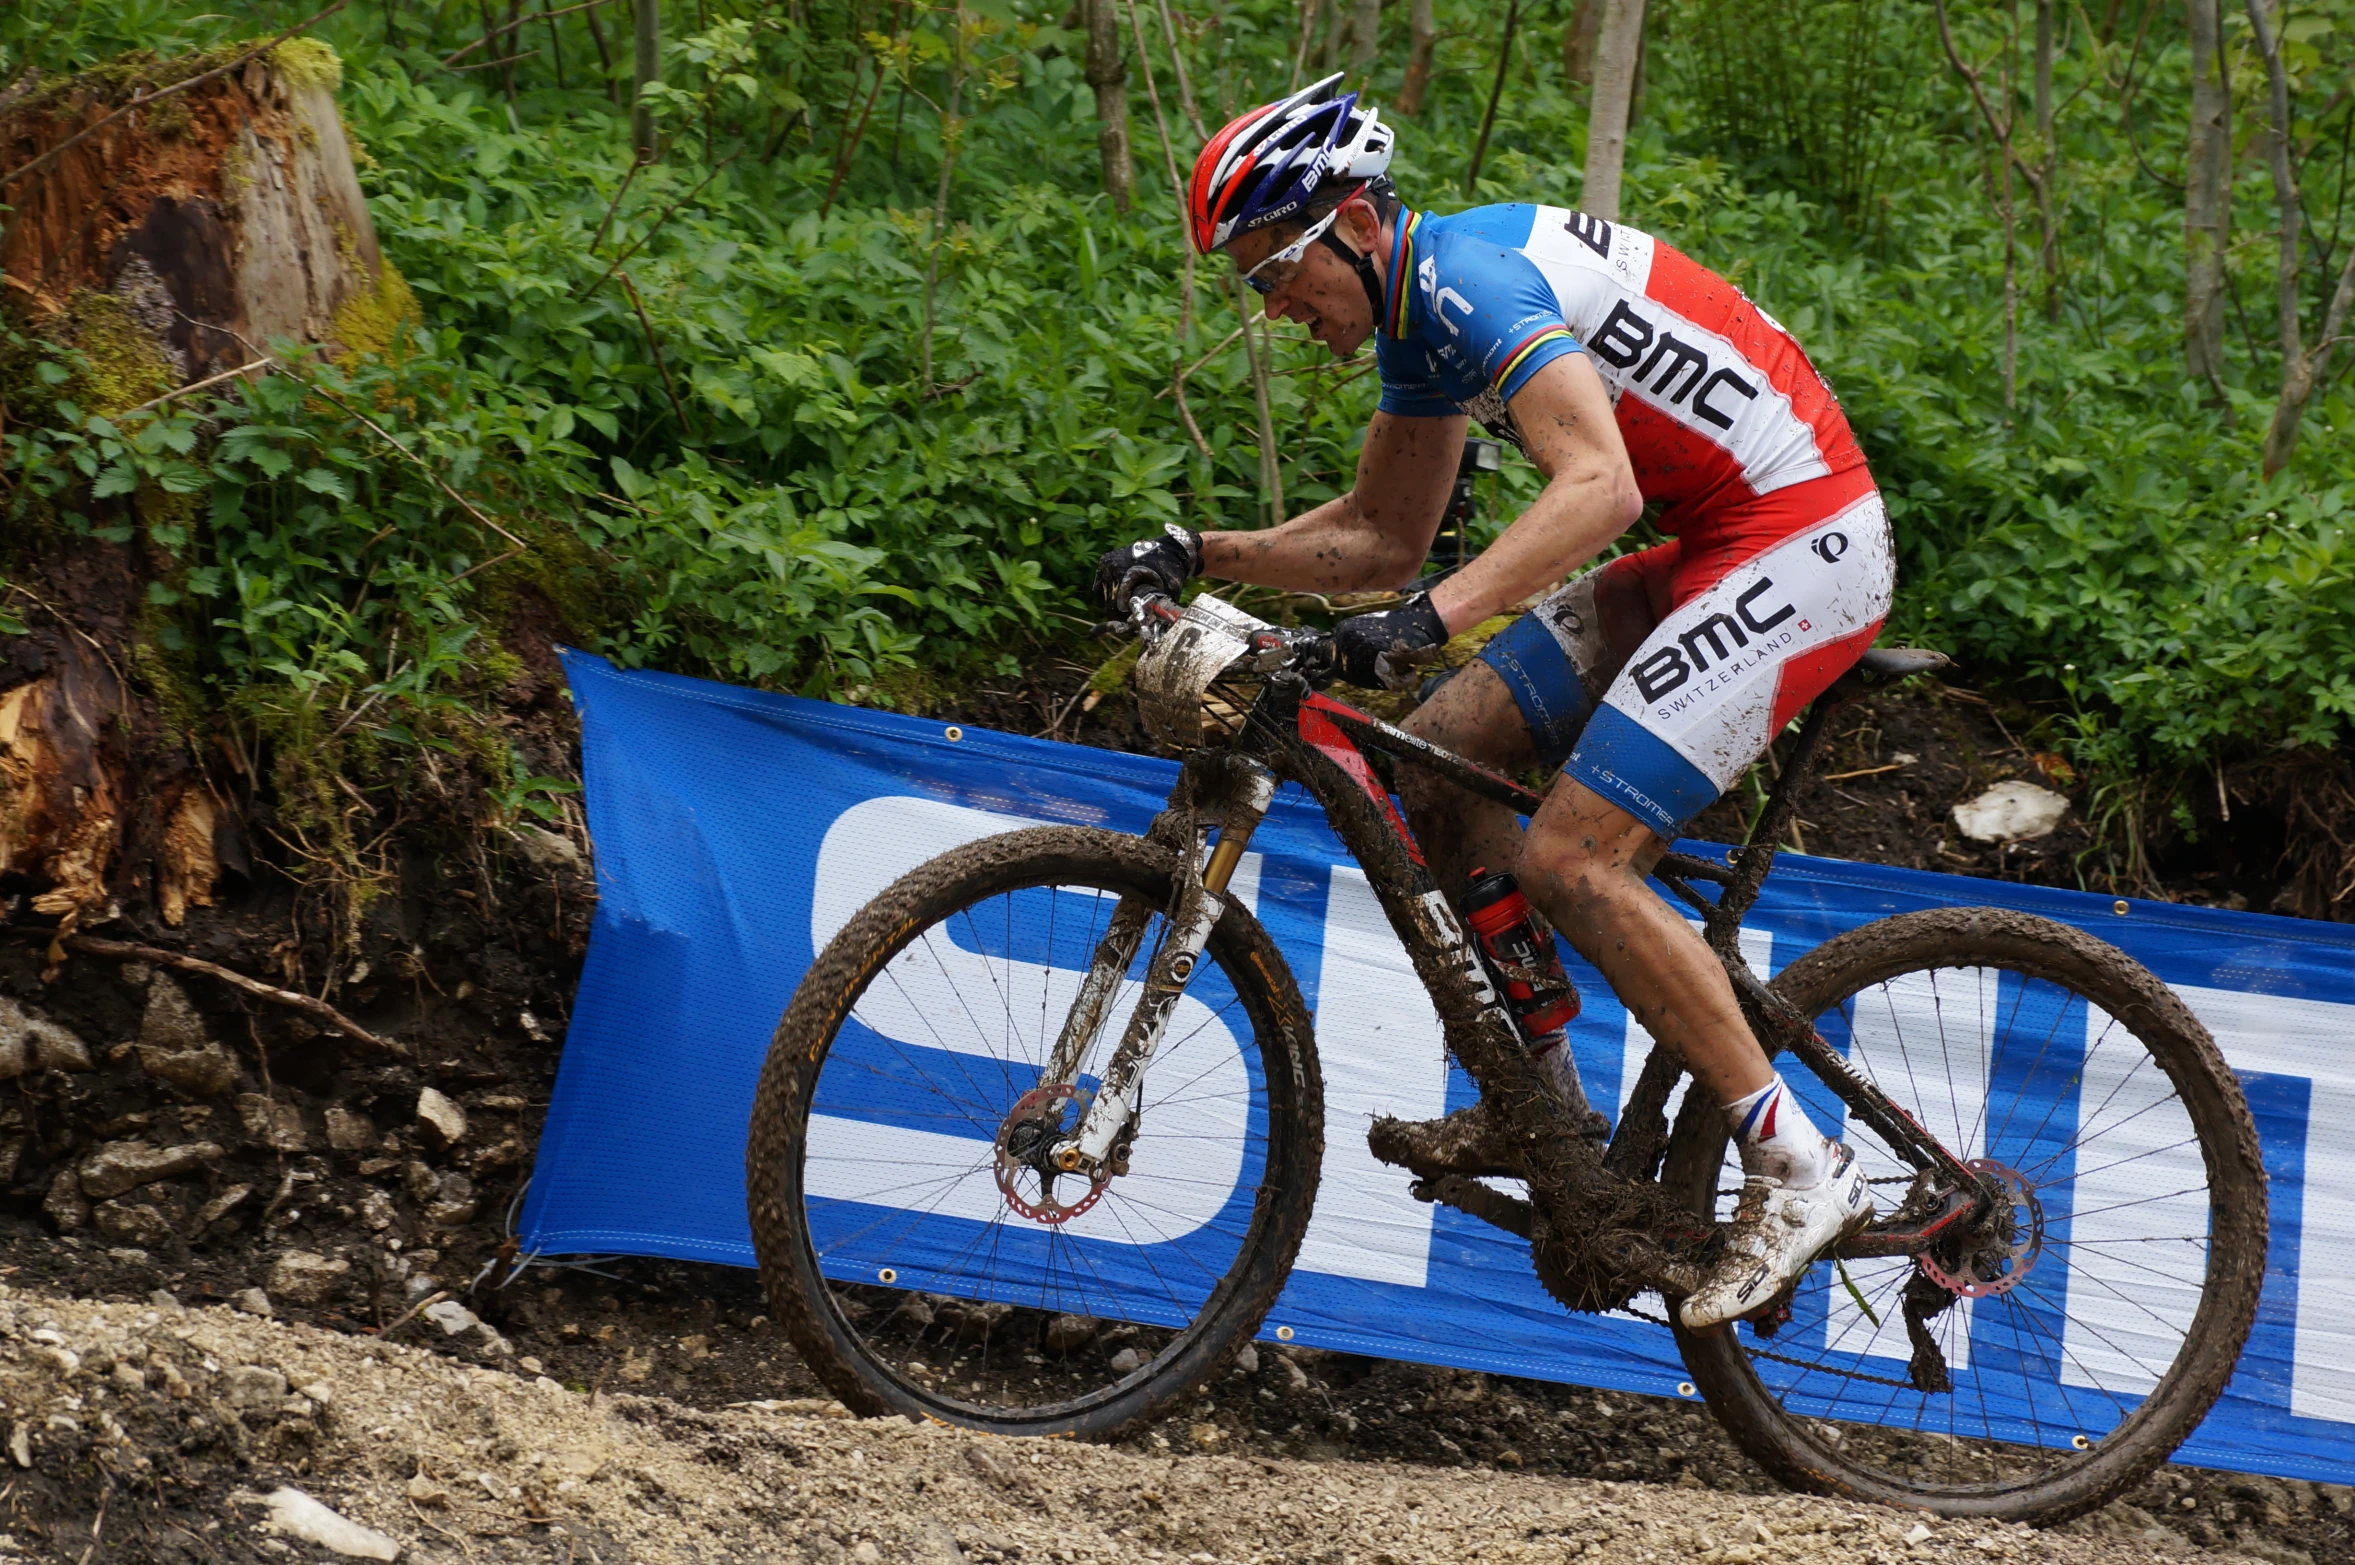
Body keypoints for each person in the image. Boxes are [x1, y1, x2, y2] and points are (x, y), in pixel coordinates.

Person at [1094, 75, 1888, 1331]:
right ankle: (1545, 1110)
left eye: (1277, 269)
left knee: (1575, 857)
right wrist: (1203, 550)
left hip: (1802, 536)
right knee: (1447, 747)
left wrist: (1431, 622)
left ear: (1354, 220)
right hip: (1716, 539)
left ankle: (1798, 1162)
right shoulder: (1419, 319)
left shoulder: (1468, 282)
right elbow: (1378, 538)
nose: (1274, 306)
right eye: (1253, 284)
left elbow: (1599, 486)